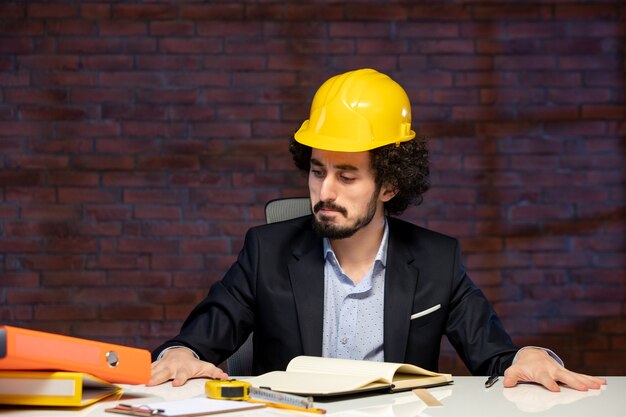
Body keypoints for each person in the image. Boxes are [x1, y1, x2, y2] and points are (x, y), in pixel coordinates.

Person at [149, 68, 605, 392]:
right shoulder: (265, 251)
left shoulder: (435, 262)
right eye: (317, 170)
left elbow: (497, 357)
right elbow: (195, 342)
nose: (324, 191)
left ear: (389, 184)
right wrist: (181, 353)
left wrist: (527, 357)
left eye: (347, 176)